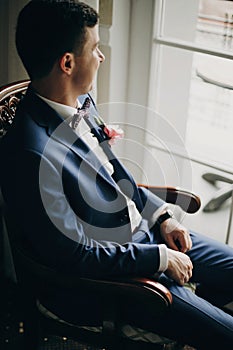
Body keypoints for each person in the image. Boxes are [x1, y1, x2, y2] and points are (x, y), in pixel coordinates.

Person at [0, 1, 232, 349]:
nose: (101, 57)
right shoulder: (29, 153)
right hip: (115, 281)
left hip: (149, 234)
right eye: (95, 49)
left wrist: (163, 215)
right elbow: (74, 255)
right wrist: (160, 258)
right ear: (67, 63)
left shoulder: (81, 102)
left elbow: (115, 175)